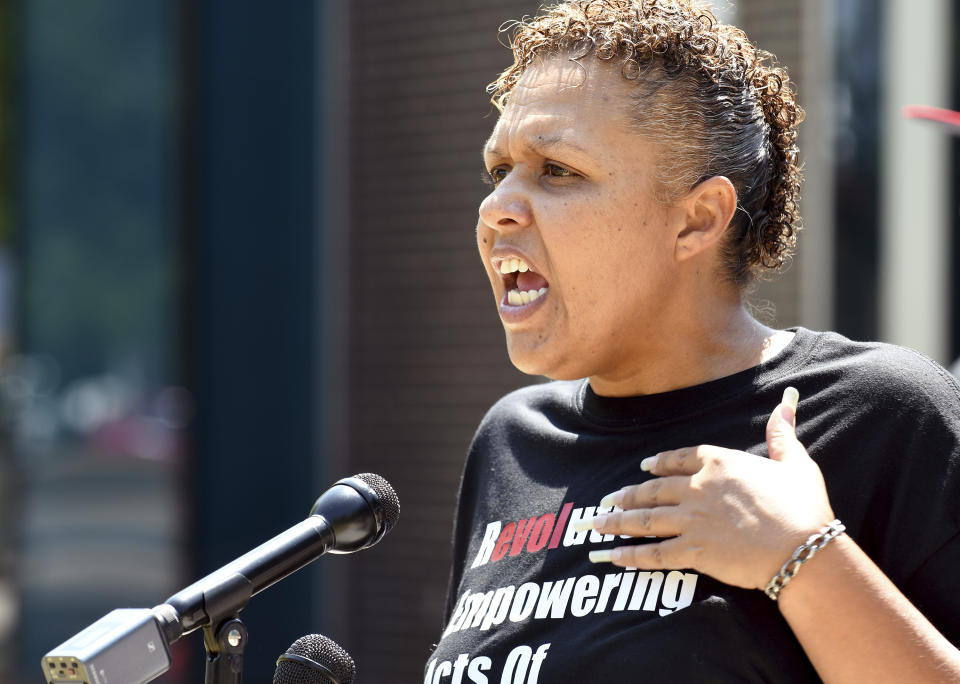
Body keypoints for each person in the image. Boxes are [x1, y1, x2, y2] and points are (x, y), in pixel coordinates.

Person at [425, 1, 960, 682]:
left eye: (557, 170)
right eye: (498, 169)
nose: (497, 206)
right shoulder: (511, 443)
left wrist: (803, 554)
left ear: (697, 219)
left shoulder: (880, 414)